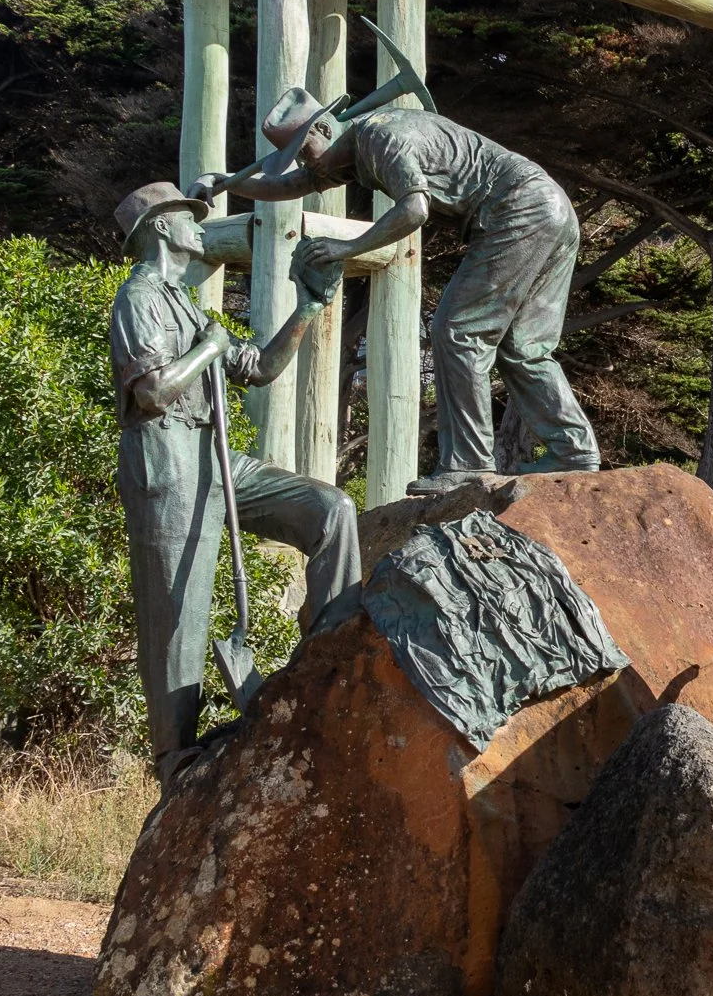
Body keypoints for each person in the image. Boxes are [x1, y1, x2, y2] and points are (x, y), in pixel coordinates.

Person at [192, 92, 600, 494]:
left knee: (459, 332)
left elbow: (414, 209)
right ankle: (574, 451)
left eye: (304, 150)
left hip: (518, 208)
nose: (304, 161)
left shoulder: (380, 136)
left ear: (322, 127)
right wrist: (229, 184)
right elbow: (294, 184)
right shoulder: (347, 151)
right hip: (553, 209)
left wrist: (348, 247)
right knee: (524, 348)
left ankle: (468, 463)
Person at [109, 181, 362, 790]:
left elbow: (260, 368)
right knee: (178, 612)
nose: (202, 227)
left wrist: (307, 306)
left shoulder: (185, 302)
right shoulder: (138, 297)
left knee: (331, 511)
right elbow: (150, 393)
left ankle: (334, 654)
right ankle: (174, 759)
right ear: (162, 228)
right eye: (190, 220)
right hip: (166, 458)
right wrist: (208, 349)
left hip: (215, 454)